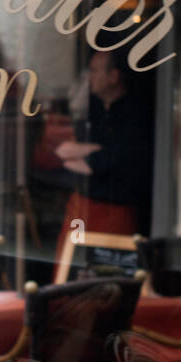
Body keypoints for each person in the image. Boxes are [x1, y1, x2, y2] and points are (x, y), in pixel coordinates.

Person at [53, 48, 154, 259]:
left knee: (109, 265)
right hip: (83, 202)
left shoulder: (134, 115)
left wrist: (90, 156)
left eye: (94, 71)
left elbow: (114, 159)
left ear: (113, 76)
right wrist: (95, 152)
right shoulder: (94, 110)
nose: (89, 77)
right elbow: (65, 153)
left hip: (116, 209)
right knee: (69, 264)